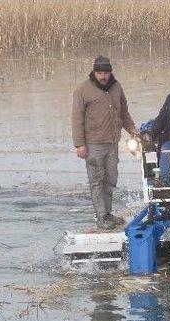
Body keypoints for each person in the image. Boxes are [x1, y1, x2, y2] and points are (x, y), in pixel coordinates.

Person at [72, 56, 139, 230]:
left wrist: (132, 129)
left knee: (111, 178)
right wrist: (79, 144)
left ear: (110, 73)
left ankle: (108, 212)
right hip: (93, 143)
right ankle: (101, 216)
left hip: (112, 142)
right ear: (94, 72)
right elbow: (76, 118)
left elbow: (123, 112)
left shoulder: (116, 87)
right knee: (96, 180)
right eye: (99, 73)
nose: (103, 76)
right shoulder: (82, 90)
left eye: (106, 73)